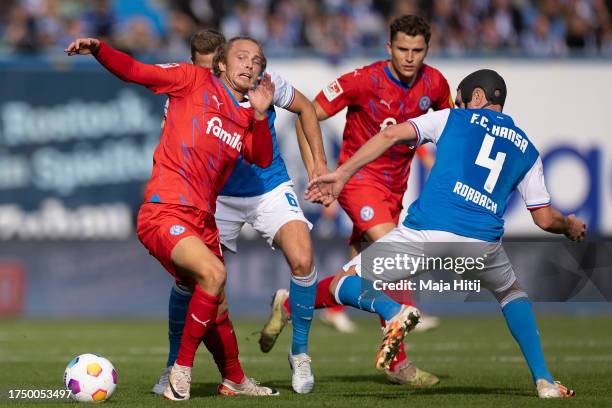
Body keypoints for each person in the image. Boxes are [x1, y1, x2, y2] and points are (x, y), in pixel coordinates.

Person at [305, 69, 583, 399]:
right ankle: (545, 381)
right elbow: (544, 219)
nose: (457, 104)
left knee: (343, 282)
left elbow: (390, 135)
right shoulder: (527, 149)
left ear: (477, 97)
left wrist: (342, 175)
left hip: (426, 235)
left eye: (461, 99)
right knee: (511, 293)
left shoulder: (452, 118)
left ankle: (393, 311)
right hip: (482, 246)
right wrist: (570, 226)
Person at [64, 36, 280, 400]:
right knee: (213, 274)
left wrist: (259, 114)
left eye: (256, 61)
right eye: (241, 57)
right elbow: (135, 71)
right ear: (222, 64)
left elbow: (259, 157)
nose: (249, 65)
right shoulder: (191, 80)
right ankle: (180, 370)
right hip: (164, 210)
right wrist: (100, 49)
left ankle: (234, 379)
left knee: (215, 303)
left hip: (203, 220)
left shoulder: (247, 115)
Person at [260, 14, 449, 386]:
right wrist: (318, 167)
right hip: (358, 182)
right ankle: (399, 355)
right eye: (402, 49)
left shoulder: (436, 83)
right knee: (397, 252)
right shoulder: (364, 80)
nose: (410, 57)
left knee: (364, 275)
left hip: (395, 189)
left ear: (427, 50)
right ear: (388, 47)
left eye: (417, 50)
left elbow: (451, 130)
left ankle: (287, 304)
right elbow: (306, 115)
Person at [152, 29, 328, 395]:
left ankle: (299, 354)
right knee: (199, 285)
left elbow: (307, 108)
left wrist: (319, 167)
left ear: (222, 61)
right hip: (215, 198)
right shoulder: (184, 94)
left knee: (303, 256)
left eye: (210, 68)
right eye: (199, 69)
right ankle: (179, 366)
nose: (206, 77)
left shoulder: (262, 82)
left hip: (268, 187)